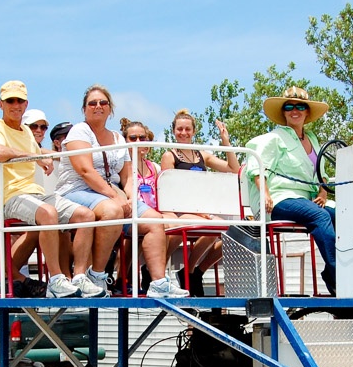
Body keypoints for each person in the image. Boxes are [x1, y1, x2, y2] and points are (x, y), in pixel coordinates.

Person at [56, 85, 186, 298]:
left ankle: (158, 283)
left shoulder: (117, 138)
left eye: (103, 103)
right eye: (92, 103)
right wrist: (116, 196)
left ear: (110, 109)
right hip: (77, 191)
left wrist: (130, 198)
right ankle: (97, 276)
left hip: (111, 194)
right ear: (84, 109)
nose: (98, 106)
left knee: (155, 220)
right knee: (113, 211)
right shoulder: (78, 132)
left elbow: (127, 177)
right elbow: (85, 171)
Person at [0, 80, 98, 299]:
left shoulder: (25, 131)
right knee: (48, 213)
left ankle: (80, 277)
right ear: (1, 104)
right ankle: (56, 280)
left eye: (20, 101)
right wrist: (36, 157)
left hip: (34, 193)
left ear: (26, 104)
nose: (15, 105)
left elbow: (36, 149)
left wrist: (46, 157)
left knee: (86, 215)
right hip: (9, 196)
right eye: (10, 101)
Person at [245, 86, 336, 295]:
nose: (294, 111)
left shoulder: (312, 139)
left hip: (306, 199)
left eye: (300, 106)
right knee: (320, 216)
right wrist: (265, 193)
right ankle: (338, 278)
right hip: (279, 199)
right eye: (289, 106)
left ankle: (336, 275)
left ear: (306, 112)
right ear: (284, 112)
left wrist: (323, 192)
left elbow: (321, 174)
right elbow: (256, 165)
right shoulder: (275, 137)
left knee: (345, 216)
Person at [160, 109, 241, 295]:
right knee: (212, 225)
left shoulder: (202, 155)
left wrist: (225, 141)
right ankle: (187, 273)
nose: (183, 133)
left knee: (231, 231)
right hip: (180, 209)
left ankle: (194, 271)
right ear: (173, 131)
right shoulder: (169, 156)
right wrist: (197, 212)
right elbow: (169, 191)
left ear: (193, 131)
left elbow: (233, 169)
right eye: (179, 129)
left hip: (203, 210)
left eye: (187, 129)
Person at [119, 118, 189, 297]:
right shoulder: (122, 166)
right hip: (132, 211)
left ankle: (153, 272)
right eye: (133, 138)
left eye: (142, 138)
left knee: (175, 225)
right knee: (138, 231)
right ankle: (123, 278)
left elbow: (162, 194)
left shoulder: (154, 167)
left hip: (153, 212)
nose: (138, 143)